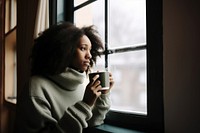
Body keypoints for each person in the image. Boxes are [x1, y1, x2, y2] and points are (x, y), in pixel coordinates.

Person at [15, 22, 114, 133]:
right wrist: (85, 104)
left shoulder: (82, 85)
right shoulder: (35, 87)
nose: (89, 55)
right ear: (65, 50)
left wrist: (104, 95)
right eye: (83, 48)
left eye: (90, 50)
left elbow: (92, 123)